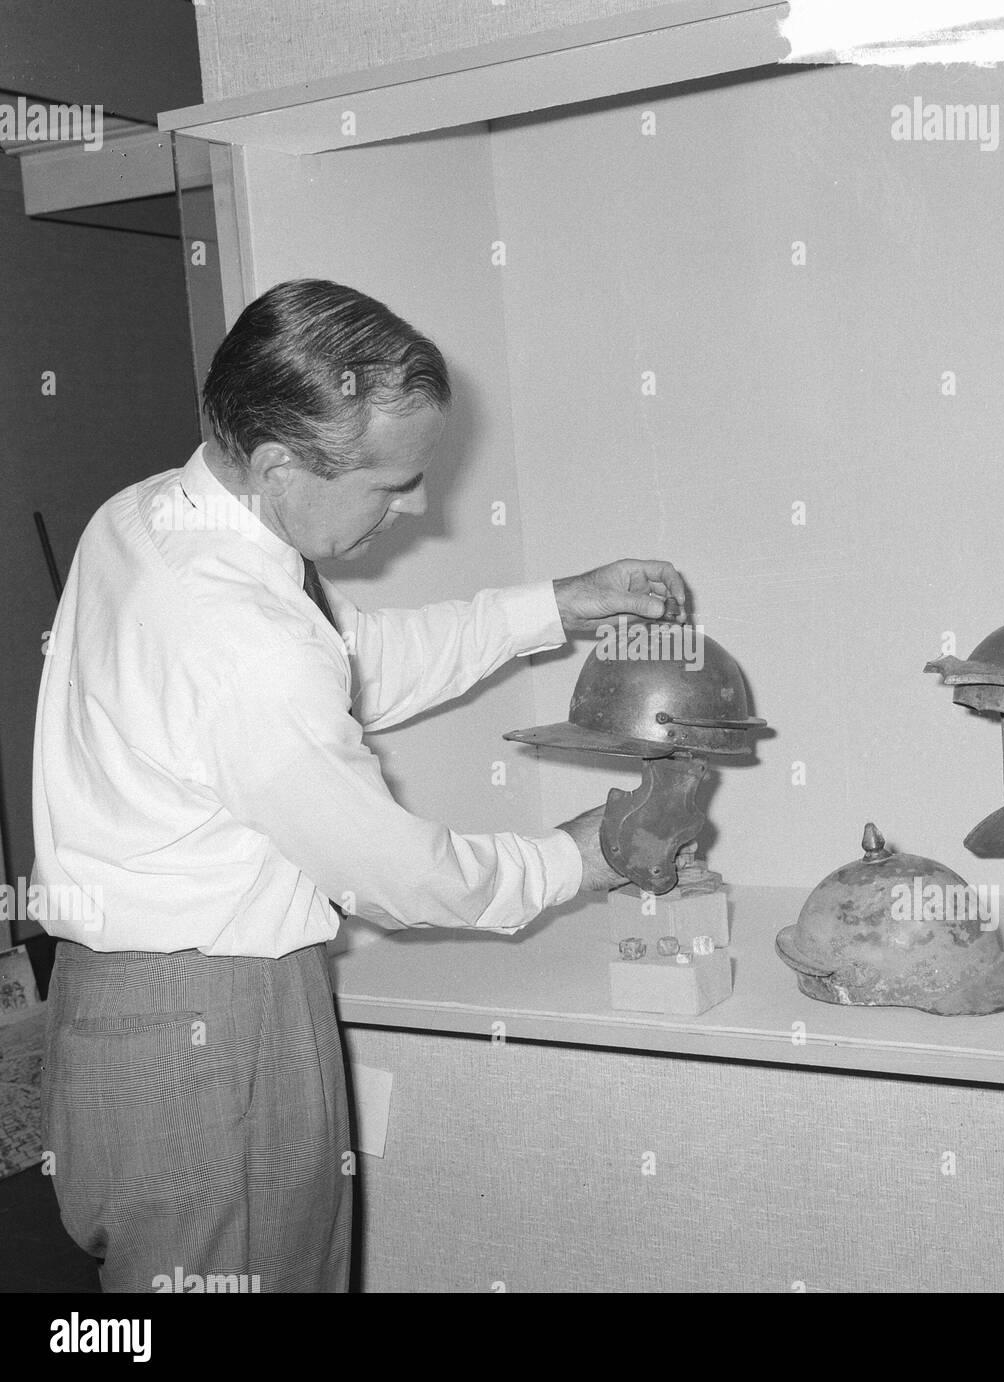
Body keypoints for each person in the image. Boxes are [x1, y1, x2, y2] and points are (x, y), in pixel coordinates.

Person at [33, 278, 684, 1292]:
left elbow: (337, 664)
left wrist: (551, 606)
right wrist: (580, 856)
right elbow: (395, 871)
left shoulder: (145, 519)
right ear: (280, 462)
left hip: (117, 1014)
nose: (412, 503)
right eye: (388, 483)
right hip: (217, 1025)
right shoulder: (241, 638)